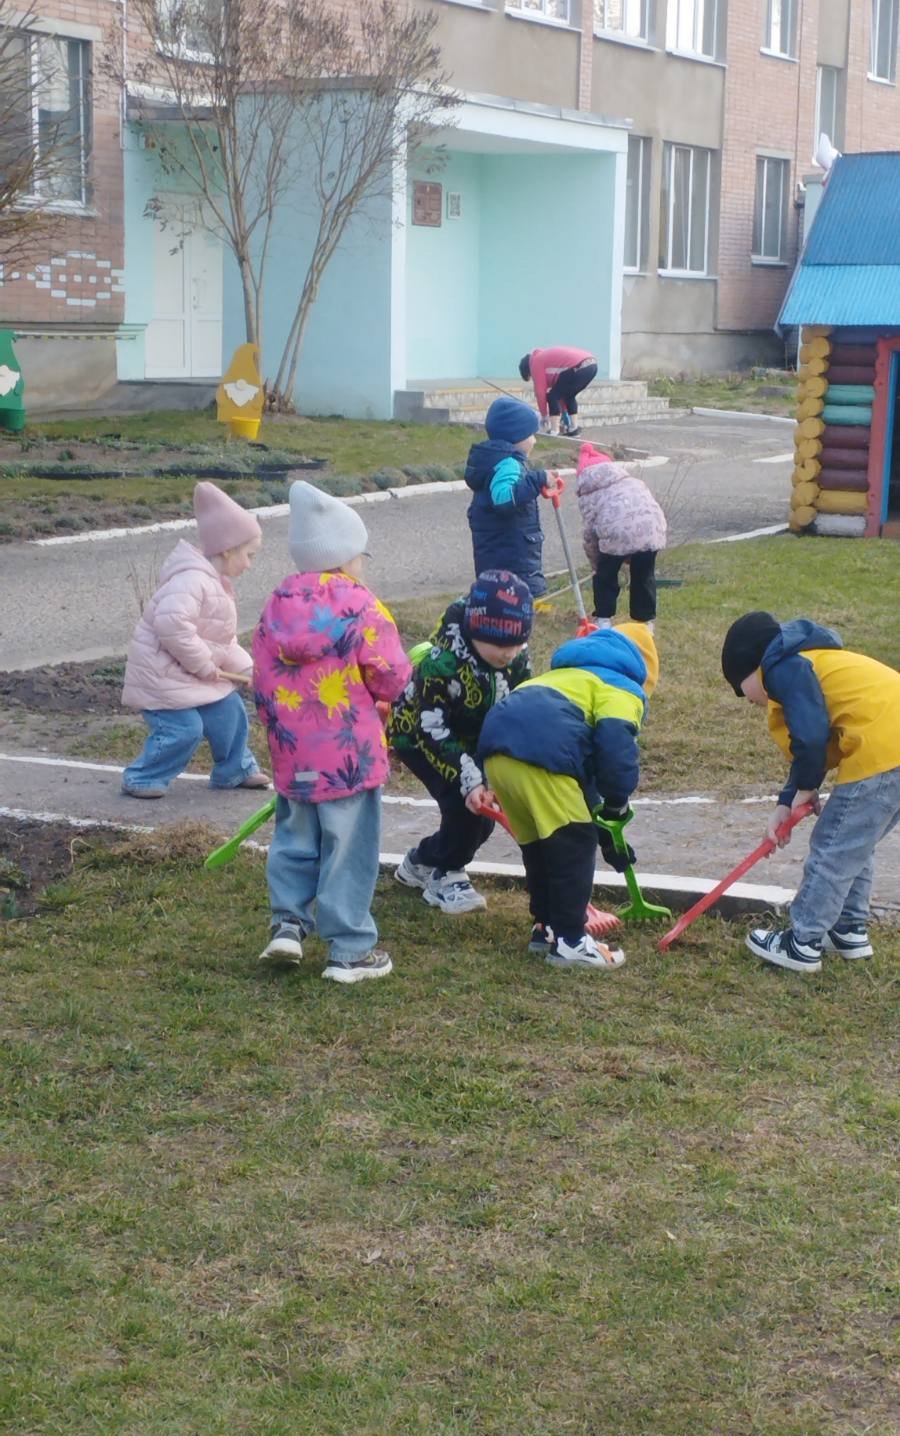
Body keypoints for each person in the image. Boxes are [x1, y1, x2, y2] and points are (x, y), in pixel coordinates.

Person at [252, 481, 411, 984]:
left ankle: (287, 923)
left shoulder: (276, 604)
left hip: (292, 751)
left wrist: (275, 727)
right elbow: (392, 674)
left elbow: (259, 674)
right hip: (350, 756)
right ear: (344, 555)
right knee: (348, 847)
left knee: (295, 836)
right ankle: (349, 949)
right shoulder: (363, 605)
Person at [721, 611, 900, 974]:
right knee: (852, 844)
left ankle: (802, 942)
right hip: (889, 749)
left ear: (753, 667)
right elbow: (816, 747)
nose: (746, 699)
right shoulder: (808, 661)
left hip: (884, 752)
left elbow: (811, 734)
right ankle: (848, 929)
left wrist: (805, 788)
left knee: (831, 848)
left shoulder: (782, 667)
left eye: (741, 688)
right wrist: (787, 802)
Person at [477, 622, 659, 970]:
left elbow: (581, 771)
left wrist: (606, 827)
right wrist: (617, 803)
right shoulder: (620, 687)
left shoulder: (560, 678)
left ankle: (546, 927)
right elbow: (616, 747)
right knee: (573, 843)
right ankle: (572, 941)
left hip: (498, 754)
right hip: (544, 754)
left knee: (542, 847)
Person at [390, 570, 534, 914]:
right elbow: (432, 727)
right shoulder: (443, 665)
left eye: (518, 642)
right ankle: (445, 875)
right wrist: (468, 776)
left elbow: (520, 704)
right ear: (475, 630)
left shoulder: (514, 660)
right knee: (463, 806)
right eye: (500, 644)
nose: (509, 653)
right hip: (420, 736)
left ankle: (421, 862)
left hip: (472, 737)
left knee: (485, 813)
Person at [121, 481, 269, 798]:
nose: (249, 563)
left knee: (230, 710)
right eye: (249, 554)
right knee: (184, 730)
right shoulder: (192, 580)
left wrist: (247, 671)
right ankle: (142, 776)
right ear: (228, 548)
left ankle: (235, 769)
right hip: (161, 678)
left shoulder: (216, 583)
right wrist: (203, 665)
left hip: (190, 675)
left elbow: (222, 641)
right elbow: (171, 625)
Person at [464, 396, 562, 598]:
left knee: (497, 598)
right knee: (515, 599)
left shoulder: (498, 461)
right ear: (516, 437)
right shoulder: (507, 463)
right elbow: (503, 499)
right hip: (511, 554)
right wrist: (536, 480)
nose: (534, 440)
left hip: (502, 548)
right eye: (531, 435)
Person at [576, 443, 667, 629]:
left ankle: (603, 619)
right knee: (644, 574)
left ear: (583, 475)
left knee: (606, 576)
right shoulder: (631, 481)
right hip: (651, 528)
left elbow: (590, 535)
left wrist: (596, 564)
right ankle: (645, 622)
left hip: (615, 532)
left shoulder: (589, 493)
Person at [519, 346, 598, 438]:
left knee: (552, 396)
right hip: (591, 365)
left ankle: (554, 431)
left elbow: (540, 393)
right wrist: (563, 412)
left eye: (531, 377)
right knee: (568, 396)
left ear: (528, 370)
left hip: (580, 366)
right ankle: (574, 429)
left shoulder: (536, 362)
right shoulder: (546, 359)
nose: (534, 378)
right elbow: (561, 390)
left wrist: (544, 416)